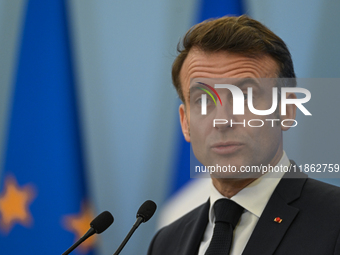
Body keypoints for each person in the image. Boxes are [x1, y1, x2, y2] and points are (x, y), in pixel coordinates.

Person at [147, 15, 340, 255]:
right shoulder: (165, 243)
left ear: (288, 110)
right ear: (185, 122)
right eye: (203, 101)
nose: (223, 120)